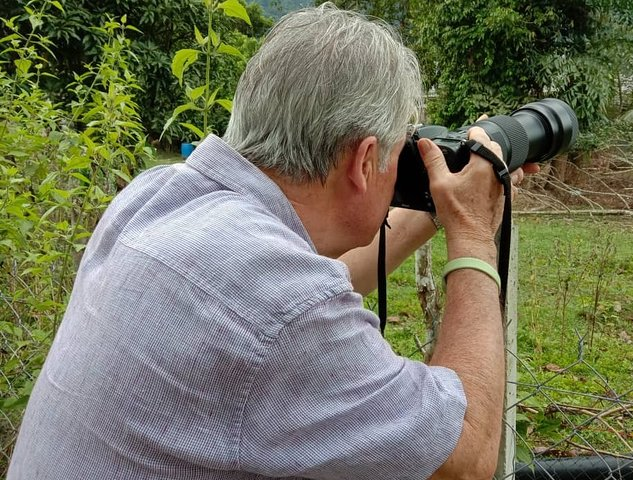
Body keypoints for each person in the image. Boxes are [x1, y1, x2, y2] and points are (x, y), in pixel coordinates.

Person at [8, 4, 537, 479]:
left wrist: (444, 206)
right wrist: (472, 232)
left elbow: (315, 284)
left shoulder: (158, 197)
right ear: (363, 160)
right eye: (399, 154)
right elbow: (465, 456)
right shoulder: (281, 302)